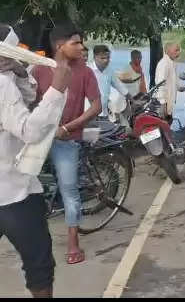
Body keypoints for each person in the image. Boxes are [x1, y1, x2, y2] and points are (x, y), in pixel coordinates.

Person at [0, 23, 71, 298]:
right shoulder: (3, 85)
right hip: (14, 194)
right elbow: (29, 130)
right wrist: (57, 90)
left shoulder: (9, 80)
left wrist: (20, 74)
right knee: (39, 266)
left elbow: (26, 98)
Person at [32, 21, 102, 266]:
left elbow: (96, 106)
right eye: (77, 42)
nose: (82, 47)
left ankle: (73, 242)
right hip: (38, 139)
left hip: (67, 140)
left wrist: (68, 128)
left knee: (69, 190)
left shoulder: (85, 71)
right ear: (60, 46)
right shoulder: (39, 69)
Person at [89, 45, 131, 119]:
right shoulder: (88, 71)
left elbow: (119, 86)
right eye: (102, 58)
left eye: (108, 58)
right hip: (88, 113)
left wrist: (132, 99)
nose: (106, 60)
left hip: (104, 113)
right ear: (95, 57)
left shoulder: (109, 70)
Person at [155, 43, 185, 123]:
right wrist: (163, 104)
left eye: (179, 50)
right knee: (163, 124)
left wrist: (178, 87)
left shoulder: (173, 63)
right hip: (163, 101)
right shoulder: (164, 63)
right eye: (176, 50)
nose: (178, 53)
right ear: (167, 51)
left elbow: (173, 80)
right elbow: (160, 84)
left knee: (169, 121)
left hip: (169, 101)